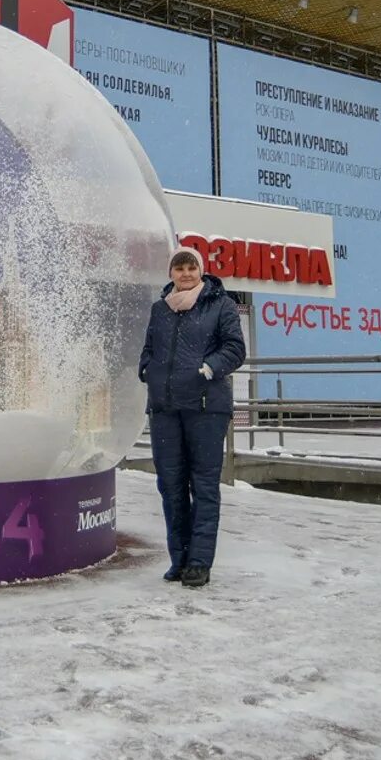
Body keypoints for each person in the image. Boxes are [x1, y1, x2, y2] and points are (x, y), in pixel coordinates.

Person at [138, 247, 246, 588]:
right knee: (170, 486)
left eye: (191, 267)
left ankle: (199, 562)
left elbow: (235, 348)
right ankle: (179, 559)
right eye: (179, 268)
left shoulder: (221, 305)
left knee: (203, 486)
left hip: (205, 407)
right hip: (165, 409)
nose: (185, 273)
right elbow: (150, 349)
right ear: (171, 273)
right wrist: (147, 370)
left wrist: (211, 366)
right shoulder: (160, 309)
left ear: (201, 270)